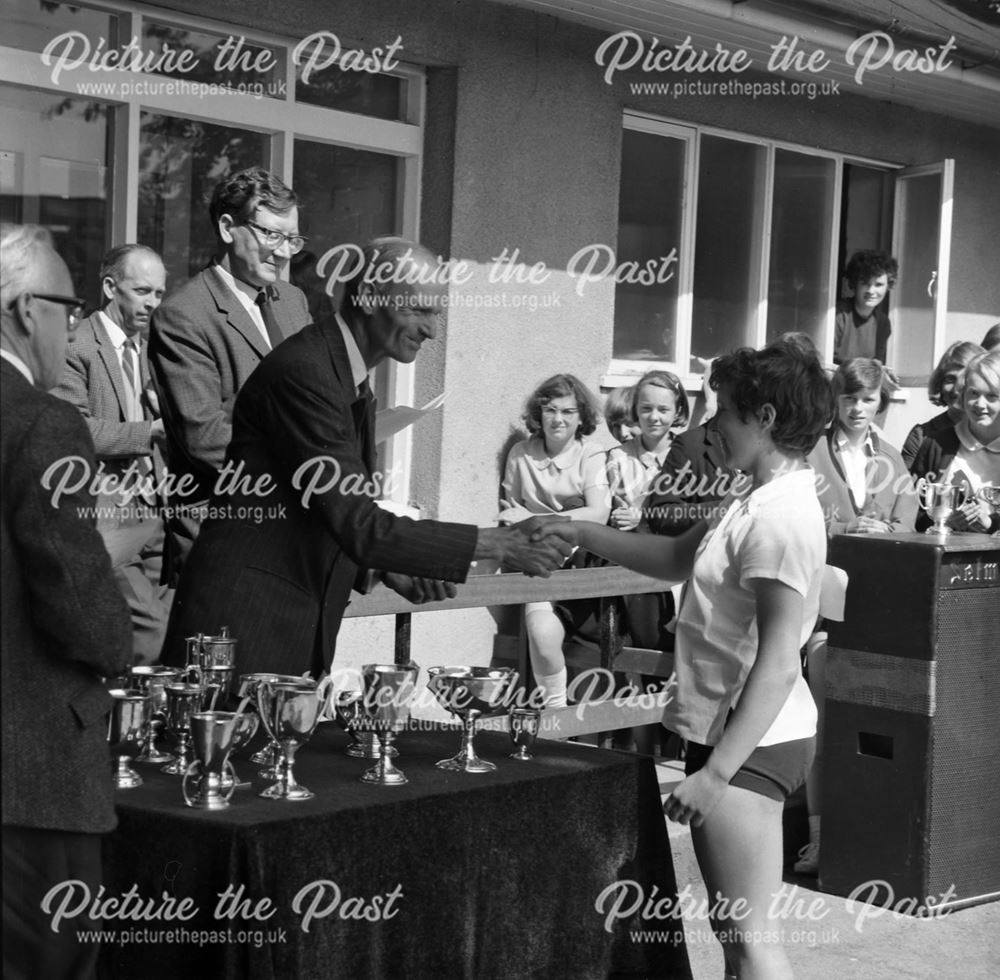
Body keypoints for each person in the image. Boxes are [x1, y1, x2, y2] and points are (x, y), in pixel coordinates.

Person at [536, 338, 834, 980]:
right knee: (735, 935)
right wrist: (580, 531)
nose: (707, 426)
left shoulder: (779, 517)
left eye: (722, 411)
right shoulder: (747, 497)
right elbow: (673, 559)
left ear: (766, 419)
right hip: (731, 735)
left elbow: (782, 662)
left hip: (750, 744)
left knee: (750, 939)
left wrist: (717, 774)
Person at [160, 238, 571, 678]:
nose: (431, 331)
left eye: (436, 313)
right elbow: (358, 523)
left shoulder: (345, 375)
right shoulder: (308, 372)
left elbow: (323, 515)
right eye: (420, 310)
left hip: (278, 625)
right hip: (242, 630)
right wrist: (499, 543)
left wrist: (385, 566)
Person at [1, 224, 132, 979]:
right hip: (30, 776)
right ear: (23, 310)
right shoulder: (43, 423)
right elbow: (79, 607)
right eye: (68, 308)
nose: (75, 327)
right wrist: (121, 640)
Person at [148, 167, 312, 581]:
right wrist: (311, 467)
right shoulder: (183, 315)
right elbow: (205, 439)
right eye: (271, 235)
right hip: (223, 543)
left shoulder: (293, 300)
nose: (284, 252)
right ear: (227, 227)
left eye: (292, 239)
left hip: (297, 540)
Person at [795, 358, 916, 875]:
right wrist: (850, 527)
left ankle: (878, 836)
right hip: (824, 615)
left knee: (881, 732)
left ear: (880, 403)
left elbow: (910, 526)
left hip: (881, 619)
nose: (858, 409)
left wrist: (885, 531)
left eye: (868, 400)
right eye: (849, 399)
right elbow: (799, 522)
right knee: (822, 724)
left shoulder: (892, 459)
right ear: (835, 400)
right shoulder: (809, 454)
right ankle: (819, 839)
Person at [53, 244, 172, 664]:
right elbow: (75, 429)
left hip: (157, 511)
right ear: (109, 286)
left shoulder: (155, 348)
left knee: (161, 634)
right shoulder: (77, 344)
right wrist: (151, 432)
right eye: (142, 291)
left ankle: (139, 722)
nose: (152, 303)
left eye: (159, 293)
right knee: (149, 633)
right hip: (105, 516)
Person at [499, 373, 612, 708]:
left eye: (567, 412)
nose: (558, 419)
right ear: (539, 413)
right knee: (542, 635)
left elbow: (599, 513)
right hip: (538, 559)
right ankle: (555, 714)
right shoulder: (520, 455)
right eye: (550, 410)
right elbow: (508, 515)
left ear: (581, 418)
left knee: (590, 645)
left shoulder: (591, 454)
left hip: (581, 561)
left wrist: (539, 519)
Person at [908, 350, 1000, 533]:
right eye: (973, 393)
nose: (980, 404)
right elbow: (912, 516)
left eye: (992, 396)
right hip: (947, 559)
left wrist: (990, 524)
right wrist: (945, 522)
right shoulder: (935, 445)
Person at [901, 341, 983, 470]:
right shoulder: (922, 436)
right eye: (950, 379)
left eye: (966, 379)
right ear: (939, 382)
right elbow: (903, 486)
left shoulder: (993, 435)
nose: (957, 389)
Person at [833, 249, 898, 365]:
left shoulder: (883, 323)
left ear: (888, 285)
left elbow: (875, 366)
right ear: (854, 284)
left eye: (878, 285)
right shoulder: (839, 314)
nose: (871, 291)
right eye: (865, 283)